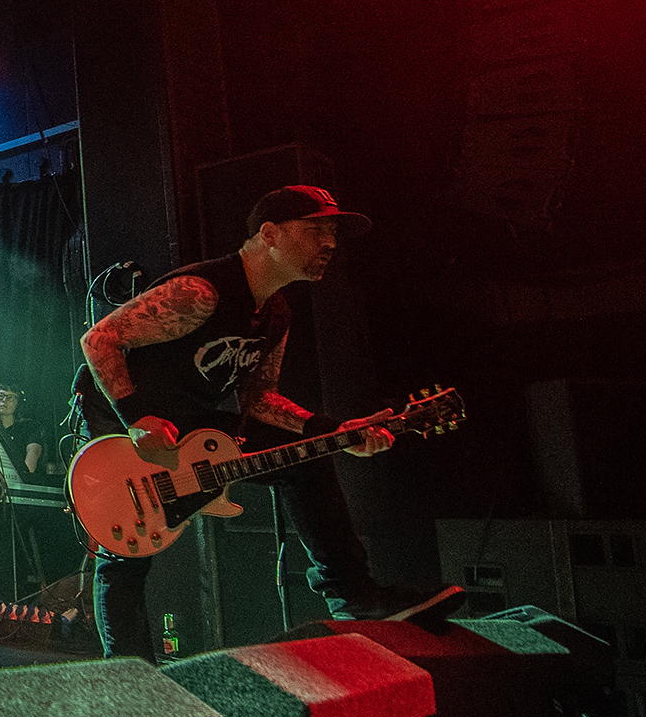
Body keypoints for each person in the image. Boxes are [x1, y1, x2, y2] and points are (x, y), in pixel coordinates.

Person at [77, 184, 461, 661]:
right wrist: (135, 418)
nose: (330, 243)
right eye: (317, 230)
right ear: (270, 233)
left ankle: (353, 595)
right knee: (129, 546)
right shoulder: (202, 293)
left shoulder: (277, 313)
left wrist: (335, 431)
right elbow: (99, 339)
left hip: (191, 421)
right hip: (121, 418)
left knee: (306, 460)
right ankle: (131, 672)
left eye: (333, 233)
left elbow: (259, 401)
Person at [0, 385, 44, 483]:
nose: (4, 400)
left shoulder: (30, 427)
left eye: (10, 397)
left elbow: (33, 451)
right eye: (0, 396)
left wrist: (24, 478)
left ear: (18, 403)